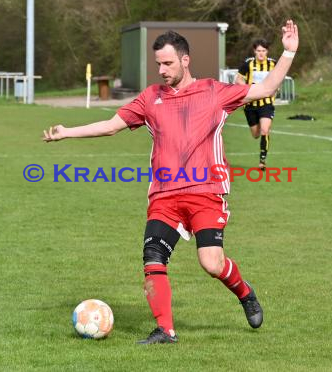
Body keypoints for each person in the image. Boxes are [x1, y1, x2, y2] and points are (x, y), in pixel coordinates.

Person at [43, 21, 299, 344]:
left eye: (167, 63)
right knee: (153, 255)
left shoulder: (213, 92)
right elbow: (111, 126)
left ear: (185, 60)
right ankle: (165, 329)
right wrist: (67, 132)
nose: (162, 70)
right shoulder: (151, 98)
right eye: (158, 64)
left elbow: (265, 89)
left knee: (211, 262)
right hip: (165, 196)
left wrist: (288, 51)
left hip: (206, 193)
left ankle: (245, 293)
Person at [234, 39, 277, 169]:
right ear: (254, 51)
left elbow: (279, 78)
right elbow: (238, 79)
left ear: (267, 51)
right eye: (258, 51)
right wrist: (250, 87)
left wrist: (276, 87)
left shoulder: (273, 64)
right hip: (250, 105)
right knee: (256, 134)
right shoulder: (248, 64)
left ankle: (262, 161)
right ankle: (258, 135)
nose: (261, 53)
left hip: (267, 104)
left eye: (263, 51)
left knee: (265, 130)